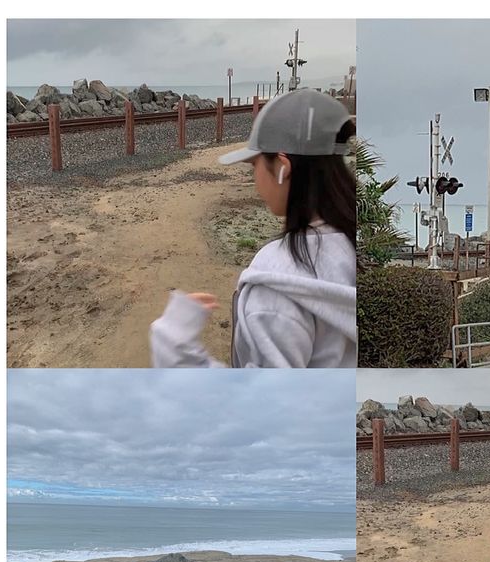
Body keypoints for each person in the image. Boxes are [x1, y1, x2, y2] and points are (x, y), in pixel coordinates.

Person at [150, 89, 356, 368]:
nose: (255, 178)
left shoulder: (277, 281)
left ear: (283, 167)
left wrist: (174, 345)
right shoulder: (350, 243)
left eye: (254, 164)